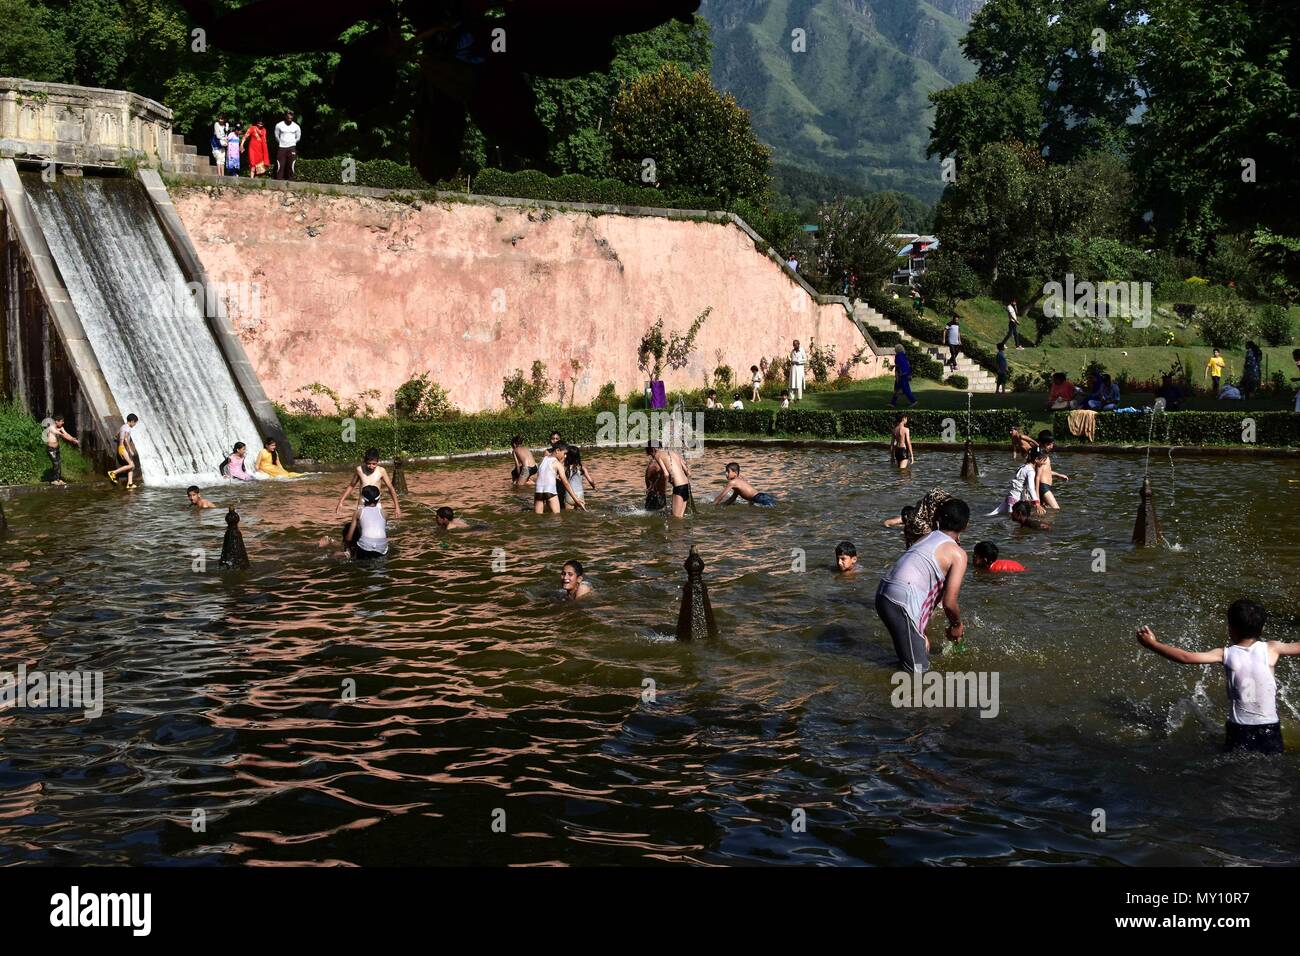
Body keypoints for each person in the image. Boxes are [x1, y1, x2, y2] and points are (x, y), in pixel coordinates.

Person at [1136, 599, 1298, 755]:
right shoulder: (1272, 649)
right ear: (1261, 629)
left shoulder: (1225, 653)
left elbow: (1186, 657)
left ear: (1230, 628)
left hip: (1238, 728)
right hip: (1269, 727)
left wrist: (1153, 644)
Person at [875, 498, 970, 673]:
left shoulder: (928, 537)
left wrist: (921, 632)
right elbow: (949, 602)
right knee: (920, 673)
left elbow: (922, 581)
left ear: (938, 519)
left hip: (883, 592)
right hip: (901, 601)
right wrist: (957, 625)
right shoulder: (958, 554)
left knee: (914, 652)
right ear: (966, 526)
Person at [336, 447, 401, 517]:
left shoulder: (381, 471)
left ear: (378, 462)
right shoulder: (359, 470)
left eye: (374, 464)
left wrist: (397, 507)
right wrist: (341, 501)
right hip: (362, 505)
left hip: (376, 505)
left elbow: (390, 488)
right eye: (368, 463)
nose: (371, 466)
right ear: (364, 461)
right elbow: (351, 486)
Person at [990, 448, 1045, 516]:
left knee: (994, 514)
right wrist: (1037, 503)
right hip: (1015, 499)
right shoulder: (1030, 471)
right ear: (1036, 459)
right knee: (1013, 519)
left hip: (1011, 496)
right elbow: (1031, 488)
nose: (1044, 463)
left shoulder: (1023, 466)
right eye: (1043, 460)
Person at [534, 442, 585, 514]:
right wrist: (576, 500)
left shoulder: (542, 460)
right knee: (557, 517)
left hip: (538, 492)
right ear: (557, 450)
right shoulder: (557, 464)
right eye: (564, 453)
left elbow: (539, 476)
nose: (565, 456)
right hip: (550, 492)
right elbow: (566, 483)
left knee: (537, 517)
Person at [343, 485, 388, 560]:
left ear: (363, 499)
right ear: (379, 498)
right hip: (382, 547)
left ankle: (348, 554)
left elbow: (349, 537)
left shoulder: (358, 513)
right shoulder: (385, 514)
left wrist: (346, 546)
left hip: (365, 546)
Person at [650, 443, 692, 518]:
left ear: (653, 449)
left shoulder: (658, 455)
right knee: (681, 517)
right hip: (686, 486)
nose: (653, 457)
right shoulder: (674, 453)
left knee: (675, 519)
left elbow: (666, 474)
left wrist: (661, 489)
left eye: (651, 454)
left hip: (679, 487)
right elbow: (689, 473)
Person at [1035, 431, 1068, 510]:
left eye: (1052, 443)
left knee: (1046, 512)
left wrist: (1058, 475)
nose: (1051, 446)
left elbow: (1046, 472)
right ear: (1041, 444)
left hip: (1045, 487)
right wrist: (1037, 499)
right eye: (1048, 444)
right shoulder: (1041, 457)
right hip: (1043, 488)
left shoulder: (1043, 455)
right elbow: (1037, 477)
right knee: (1056, 510)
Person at [43, 414, 79, 485]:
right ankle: (54, 480)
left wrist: (73, 438)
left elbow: (66, 434)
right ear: (56, 421)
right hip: (51, 449)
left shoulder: (61, 427)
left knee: (59, 463)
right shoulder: (51, 427)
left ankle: (58, 479)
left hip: (57, 448)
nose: (63, 423)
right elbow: (62, 435)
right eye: (61, 421)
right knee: (56, 463)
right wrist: (72, 440)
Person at [108, 413, 139, 487]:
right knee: (132, 465)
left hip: (120, 447)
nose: (134, 425)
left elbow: (117, 434)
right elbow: (125, 439)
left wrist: (117, 439)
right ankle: (113, 472)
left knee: (131, 465)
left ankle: (130, 483)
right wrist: (130, 450)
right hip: (123, 448)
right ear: (132, 421)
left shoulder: (123, 426)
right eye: (135, 423)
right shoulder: (128, 428)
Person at [561, 445, 596, 510]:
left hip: (569, 496)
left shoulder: (564, 468)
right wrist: (594, 487)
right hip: (580, 495)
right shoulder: (582, 468)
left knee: (569, 518)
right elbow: (591, 481)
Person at [274, 109, 301, 180]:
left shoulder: (296, 126)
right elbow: (276, 136)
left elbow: (298, 138)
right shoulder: (279, 125)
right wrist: (282, 142)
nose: (290, 117)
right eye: (288, 116)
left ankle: (290, 181)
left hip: (292, 147)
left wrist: (292, 142)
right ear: (285, 116)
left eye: (291, 116)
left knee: (291, 165)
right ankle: (279, 180)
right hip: (282, 147)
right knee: (280, 165)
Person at [644, 441, 668, 511]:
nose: (661, 451)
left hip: (654, 496)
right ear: (654, 448)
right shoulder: (655, 463)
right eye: (659, 448)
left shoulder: (653, 462)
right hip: (657, 497)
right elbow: (664, 475)